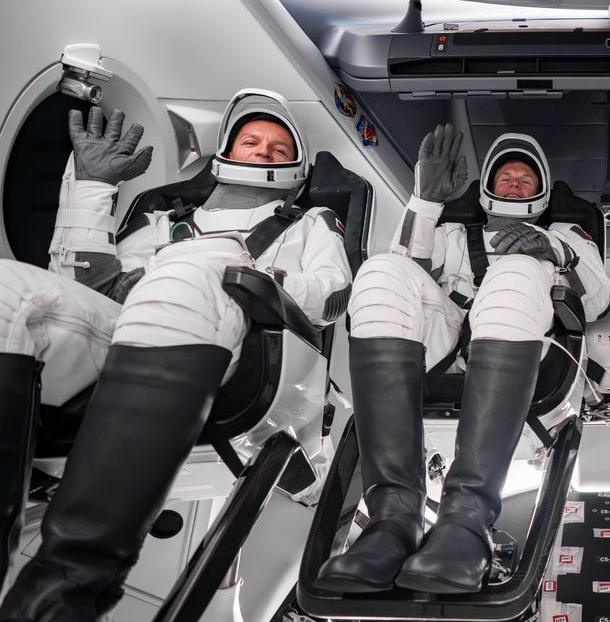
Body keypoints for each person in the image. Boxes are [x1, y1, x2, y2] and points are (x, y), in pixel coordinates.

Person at [0, 90, 352, 619]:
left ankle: (64, 593)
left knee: (191, 272)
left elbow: (330, 293)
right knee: (11, 293)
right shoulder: (163, 213)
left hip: (253, 350)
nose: (262, 151)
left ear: (296, 167)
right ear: (224, 151)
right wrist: (91, 191)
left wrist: (235, 270)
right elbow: (90, 285)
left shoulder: (310, 222)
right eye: (251, 141)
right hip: (134, 328)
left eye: (278, 149)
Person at [315, 124, 610, 594]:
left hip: (526, 358)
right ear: (488, 187)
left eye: (525, 179)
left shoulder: (565, 234)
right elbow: (403, 276)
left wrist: (554, 251)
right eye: (505, 177)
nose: (514, 184)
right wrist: (425, 202)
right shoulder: (453, 233)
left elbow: (596, 302)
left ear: (542, 191)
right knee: (380, 271)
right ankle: (394, 519)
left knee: (515, 270)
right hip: (444, 348)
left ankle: (467, 520)